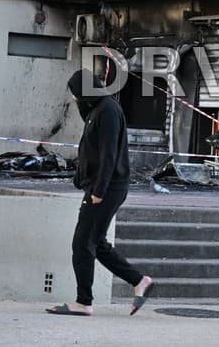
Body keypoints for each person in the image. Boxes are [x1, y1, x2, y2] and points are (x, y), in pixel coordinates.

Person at [47, 69, 154, 317]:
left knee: (82, 244)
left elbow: (108, 155)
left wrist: (99, 191)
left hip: (107, 188)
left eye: (76, 94)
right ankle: (140, 281)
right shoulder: (97, 108)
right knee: (97, 244)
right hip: (101, 186)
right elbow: (90, 143)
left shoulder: (108, 111)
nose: (74, 99)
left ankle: (84, 302)